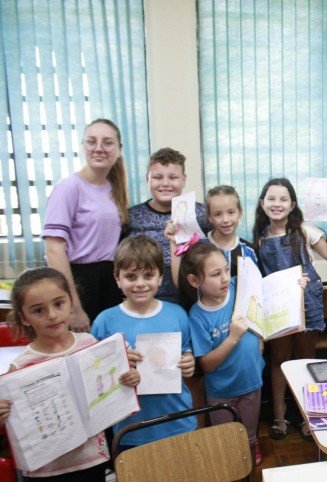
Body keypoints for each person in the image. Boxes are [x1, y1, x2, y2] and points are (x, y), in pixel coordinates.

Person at [0, 267, 140, 482]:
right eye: (38, 310)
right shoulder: (20, 367)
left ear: (71, 301)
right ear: (24, 317)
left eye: (59, 303)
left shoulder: (90, 344)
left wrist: (131, 380)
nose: (52, 315)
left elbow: (112, 390)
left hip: (91, 462)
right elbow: (15, 424)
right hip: (45, 473)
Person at [252, 178, 327, 441]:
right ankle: (280, 416)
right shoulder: (260, 237)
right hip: (277, 305)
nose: (277, 204)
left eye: (283, 199)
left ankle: (307, 415)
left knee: (305, 360)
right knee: (279, 360)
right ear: (262, 203)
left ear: (292, 205)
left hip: (307, 302)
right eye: (271, 198)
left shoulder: (304, 229)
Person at [91, 236, 197, 449]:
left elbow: (186, 352)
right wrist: (118, 364)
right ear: (117, 279)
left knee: (184, 480)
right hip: (131, 429)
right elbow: (94, 377)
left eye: (148, 275)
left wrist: (189, 362)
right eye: (131, 276)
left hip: (179, 421)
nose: (140, 283)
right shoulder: (105, 321)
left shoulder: (177, 314)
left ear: (160, 277)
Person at [179, 243, 267, 482]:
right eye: (216, 274)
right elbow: (207, 365)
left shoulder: (239, 288)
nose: (226, 278)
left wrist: (294, 286)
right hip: (221, 394)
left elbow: (266, 296)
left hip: (252, 383)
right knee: (224, 443)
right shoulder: (196, 317)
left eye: (227, 270)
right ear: (195, 281)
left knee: (249, 438)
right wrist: (233, 337)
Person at [42, 118, 129, 332]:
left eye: (107, 142)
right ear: (83, 146)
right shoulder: (68, 189)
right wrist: (73, 307)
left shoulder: (113, 188)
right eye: (92, 141)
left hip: (109, 282)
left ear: (119, 149)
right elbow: (54, 250)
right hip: (79, 283)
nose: (98, 148)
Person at [127, 147, 213, 303]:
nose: (165, 183)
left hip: (194, 298)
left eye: (173, 177)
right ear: (147, 178)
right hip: (145, 299)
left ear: (184, 179)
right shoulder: (131, 216)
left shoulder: (201, 213)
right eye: (157, 177)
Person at [166, 185, 259, 286]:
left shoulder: (250, 251)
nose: (225, 220)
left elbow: (257, 287)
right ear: (209, 217)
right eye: (217, 214)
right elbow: (182, 285)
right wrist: (173, 242)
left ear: (240, 212)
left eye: (231, 212)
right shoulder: (197, 249)